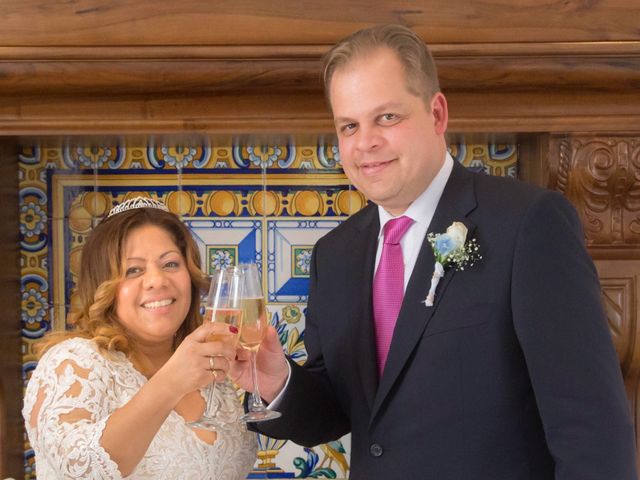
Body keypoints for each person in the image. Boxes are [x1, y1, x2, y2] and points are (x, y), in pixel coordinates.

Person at [231, 24, 638, 479]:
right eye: (349, 125)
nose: (366, 143)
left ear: (437, 113)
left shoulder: (528, 224)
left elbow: (592, 431)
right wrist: (276, 379)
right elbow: (338, 409)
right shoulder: (335, 254)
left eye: (387, 117)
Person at [23, 197, 257, 479]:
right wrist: (171, 382)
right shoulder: (73, 363)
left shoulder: (216, 381)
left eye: (170, 264)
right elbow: (80, 469)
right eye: (133, 270)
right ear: (104, 286)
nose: (157, 280)